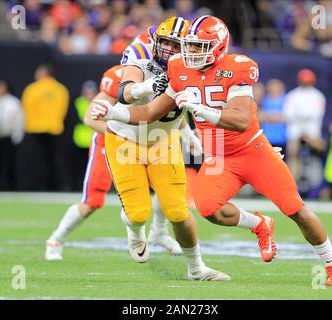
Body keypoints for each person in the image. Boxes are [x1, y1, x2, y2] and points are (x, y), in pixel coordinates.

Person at [91, 15, 332, 287]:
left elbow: (240, 120)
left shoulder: (238, 67)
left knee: (295, 209)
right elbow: (151, 111)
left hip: (253, 151)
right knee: (208, 208)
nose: (191, 52)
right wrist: (114, 112)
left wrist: (200, 110)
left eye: (200, 46)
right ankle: (260, 224)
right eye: (189, 45)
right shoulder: (179, 68)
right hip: (218, 157)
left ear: (219, 46)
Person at [87, 16, 230, 281]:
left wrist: (189, 135)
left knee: (177, 210)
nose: (170, 51)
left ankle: (196, 269)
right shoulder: (141, 57)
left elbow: (173, 109)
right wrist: (146, 86)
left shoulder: (194, 66)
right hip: (124, 140)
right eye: (166, 44)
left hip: (163, 142)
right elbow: (125, 92)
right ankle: (135, 229)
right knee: (139, 213)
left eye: (178, 46)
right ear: (155, 41)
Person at [45, 63, 192, 260]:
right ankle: (56, 239)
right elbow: (90, 118)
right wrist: (123, 135)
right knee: (93, 201)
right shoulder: (121, 76)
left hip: (150, 141)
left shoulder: (166, 74)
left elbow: (167, 110)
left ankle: (159, 231)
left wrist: (188, 135)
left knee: (165, 188)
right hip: (113, 141)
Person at [18, 64, 70, 191]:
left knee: (37, 160)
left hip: (35, 129)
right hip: (54, 128)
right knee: (55, 160)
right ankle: (59, 186)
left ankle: (38, 186)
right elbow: (63, 109)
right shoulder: (61, 89)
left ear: (43, 73)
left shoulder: (33, 88)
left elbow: (26, 108)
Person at [283, 69, 327, 197]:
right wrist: (301, 125)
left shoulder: (318, 96)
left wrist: (305, 129)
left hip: (312, 131)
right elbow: (289, 114)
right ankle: (292, 187)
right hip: (295, 131)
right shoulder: (293, 95)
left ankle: (315, 188)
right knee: (293, 156)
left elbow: (316, 114)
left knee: (316, 156)